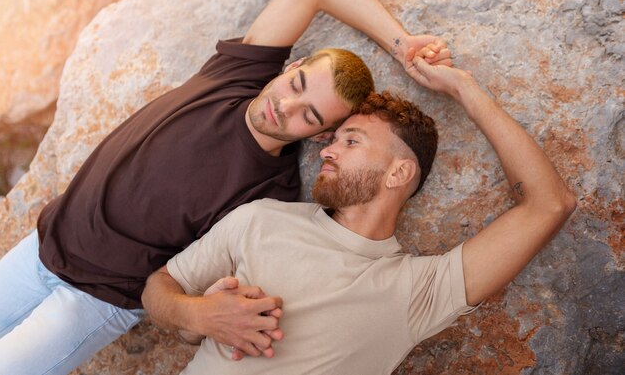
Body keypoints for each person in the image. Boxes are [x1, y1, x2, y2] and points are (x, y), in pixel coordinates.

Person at [0, 0, 453, 374]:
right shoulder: (237, 74)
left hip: (95, 300)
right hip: (41, 245)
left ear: (319, 136)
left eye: (309, 115)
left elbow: (203, 284)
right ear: (289, 66)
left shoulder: (270, 194)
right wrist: (402, 44)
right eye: (295, 84)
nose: (285, 106)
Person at [142, 56, 577, 374]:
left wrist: (464, 88)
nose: (327, 149)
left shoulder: (417, 291)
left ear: (399, 172)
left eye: (351, 142)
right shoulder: (261, 219)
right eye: (333, 139)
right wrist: (199, 317)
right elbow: (157, 290)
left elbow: (550, 204)